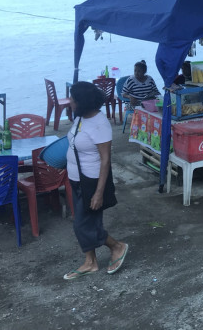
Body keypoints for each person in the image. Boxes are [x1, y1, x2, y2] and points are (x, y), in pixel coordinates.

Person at [63, 81, 128, 280]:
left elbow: (105, 159)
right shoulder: (80, 117)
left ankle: (117, 246)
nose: (70, 101)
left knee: (82, 225)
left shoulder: (99, 124)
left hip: (91, 181)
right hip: (75, 179)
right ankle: (90, 262)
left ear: (82, 101)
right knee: (87, 222)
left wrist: (99, 192)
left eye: (73, 99)